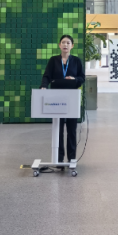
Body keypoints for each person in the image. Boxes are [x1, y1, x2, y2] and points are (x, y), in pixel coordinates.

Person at [40, 35, 85, 163]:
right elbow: (47, 76)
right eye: (63, 42)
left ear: (72, 46)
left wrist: (74, 79)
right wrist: (44, 86)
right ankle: (59, 160)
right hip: (56, 99)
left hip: (72, 99)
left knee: (72, 130)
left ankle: (71, 160)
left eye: (68, 42)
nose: (65, 45)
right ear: (59, 45)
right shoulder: (53, 60)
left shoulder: (76, 61)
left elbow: (82, 78)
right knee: (58, 129)